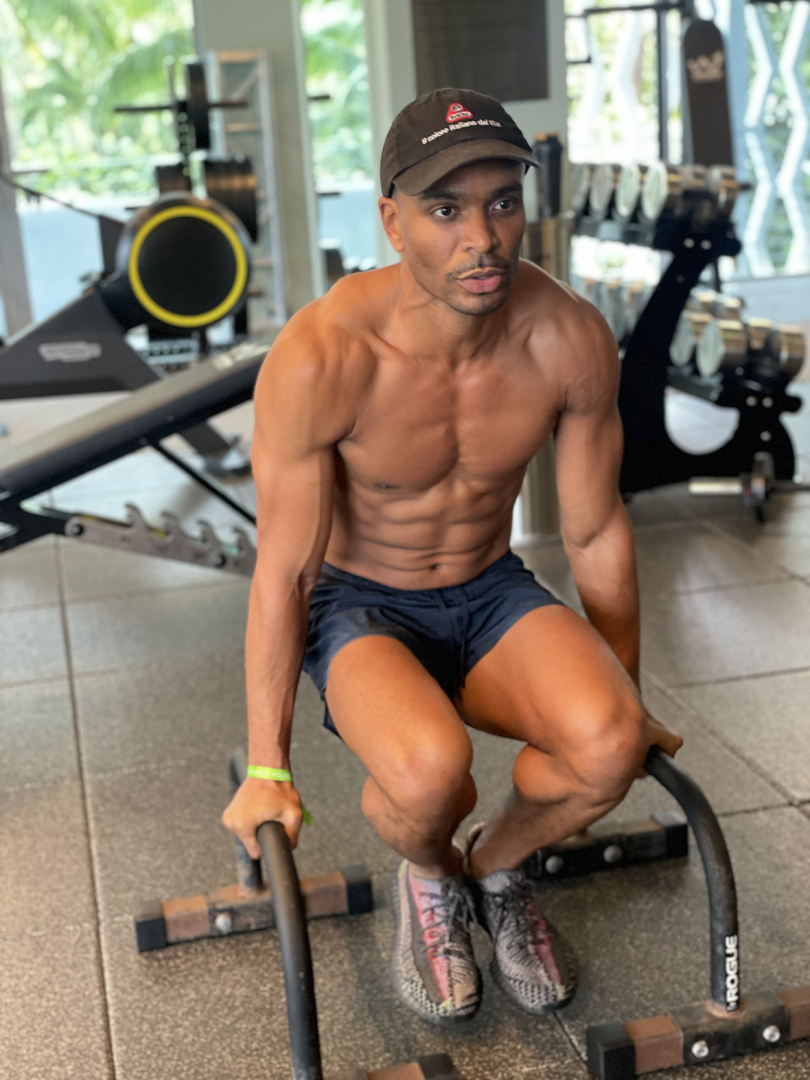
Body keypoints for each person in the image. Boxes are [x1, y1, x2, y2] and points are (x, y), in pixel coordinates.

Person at [223, 88, 682, 1026]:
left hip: (489, 585)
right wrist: (267, 768)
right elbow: (286, 572)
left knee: (607, 750)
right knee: (432, 776)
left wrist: (622, 692)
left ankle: (497, 864)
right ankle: (428, 875)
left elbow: (594, 533)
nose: (484, 236)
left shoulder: (569, 337)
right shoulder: (323, 356)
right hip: (359, 605)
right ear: (393, 221)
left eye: (502, 201)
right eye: (445, 209)